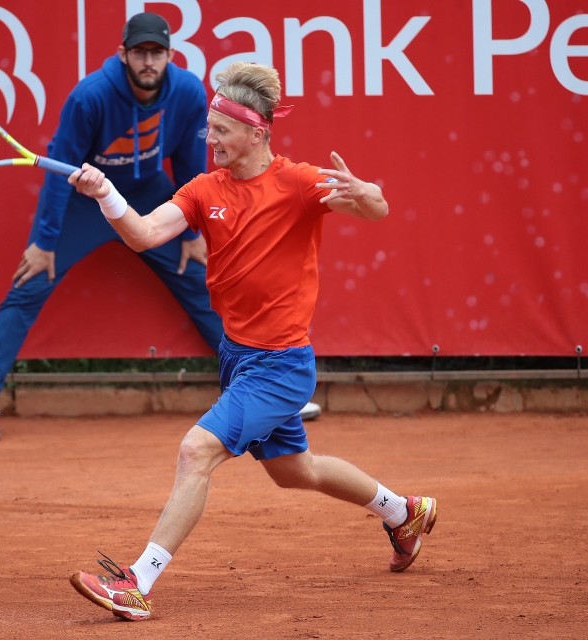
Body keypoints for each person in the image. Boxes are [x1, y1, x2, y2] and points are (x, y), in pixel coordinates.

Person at [66, 61, 437, 621]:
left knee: (197, 452)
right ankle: (401, 512)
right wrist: (107, 195)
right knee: (297, 472)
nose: (207, 138)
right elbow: (143, 235)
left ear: (256, 133)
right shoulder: (202, 189)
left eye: (219, 130)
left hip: (281, 364)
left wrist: (367, 191)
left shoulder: (299, 183)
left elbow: (376, 210)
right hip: (238, 357)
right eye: (208, 128)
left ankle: (136, 583)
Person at [0, 13, 322, 440]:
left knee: (197, 275)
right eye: (140, 52)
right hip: (89, 199)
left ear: (169, 55)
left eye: (156, 53)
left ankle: (266, 390)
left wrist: (192, 235)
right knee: (31, 281)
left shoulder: (188, 92)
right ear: (123, 55)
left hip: (153, 192)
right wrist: (45, 242)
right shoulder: (90, 97)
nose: (148, 61)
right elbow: (59, 174)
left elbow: (195, 167)